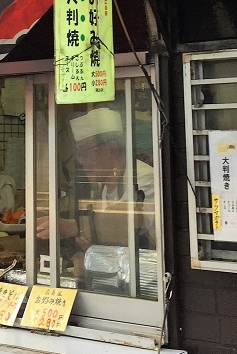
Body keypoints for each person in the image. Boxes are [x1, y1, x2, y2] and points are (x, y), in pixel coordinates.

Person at [36, 107, 155, 250]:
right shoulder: (104, 186)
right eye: (79, 154)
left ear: (111, 148)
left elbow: (132, 222)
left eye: (85, 152)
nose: (81, 161)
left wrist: (75, 227)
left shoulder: (144, 178)